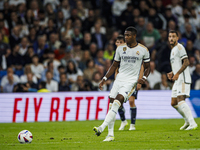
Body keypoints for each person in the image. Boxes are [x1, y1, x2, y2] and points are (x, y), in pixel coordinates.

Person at [93, 27, 150, 141]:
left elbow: (147, 68)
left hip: (131, 81)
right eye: (125, 35)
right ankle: (110, 135)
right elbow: (114, 65)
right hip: (119, 80)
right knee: (111, 105)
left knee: (117, 102)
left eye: (128, 35)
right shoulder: (120, 49)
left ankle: (101, 127)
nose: (126, 37)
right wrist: (104, 78)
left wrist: (143, 78)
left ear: (134, 36)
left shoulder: (143, 50)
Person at [167, 30, 198, 130]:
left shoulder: (180, 47)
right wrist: (173, 72)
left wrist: (177, 73)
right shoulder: (173, 50)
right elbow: (178, 64)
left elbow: (186, 62)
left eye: (173, 36)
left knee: (180, 100)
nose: (171, 38)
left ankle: (193, 123)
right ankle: (187, 121)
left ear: (177, 38)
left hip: (183, 78)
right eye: (170, 36)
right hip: (177, 78)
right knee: (173, 102)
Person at [114, 35, 144, 131]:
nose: (119, 44)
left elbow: (141, 66)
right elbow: (116, 69)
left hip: (132, 81)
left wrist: (139, 81)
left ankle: (132, 124)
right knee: (118, 102)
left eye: (120, 42)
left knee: (131, 101)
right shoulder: (118, 53)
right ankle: (123, 121)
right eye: (117, 42)